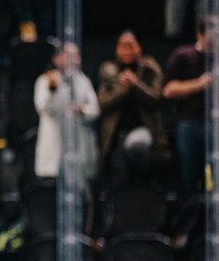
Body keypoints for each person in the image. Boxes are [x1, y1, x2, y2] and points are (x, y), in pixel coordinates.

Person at [96, 30, 171, 187]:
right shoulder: (108, 70)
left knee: (136, 145)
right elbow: (102, 103)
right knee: (120, 182)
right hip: (115, 135)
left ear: (139, 48)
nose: (127, 50)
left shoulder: (150, 67)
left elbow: (157, 98)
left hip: (145, 131)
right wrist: (122, 89)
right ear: (117, 49)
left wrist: (135, 84)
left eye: (131, 45)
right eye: (123, 46)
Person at [33, 42, 100, 186]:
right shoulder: (45, 80)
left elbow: (95, 110)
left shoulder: (84, 81)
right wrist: (52, 89)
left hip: (79, 148)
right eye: (69, 55)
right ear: (56, 59)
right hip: (55, 149)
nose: (74, 60)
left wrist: (82, 111)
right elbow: (43, 107)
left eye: (76, 56)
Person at [163, 19, 210, 200]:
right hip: (190, 123)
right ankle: (187, 222)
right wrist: (199, 84)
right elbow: (168, 90)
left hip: (215, 125)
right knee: (188, 179)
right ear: (200, 34)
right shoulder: (183, 55)